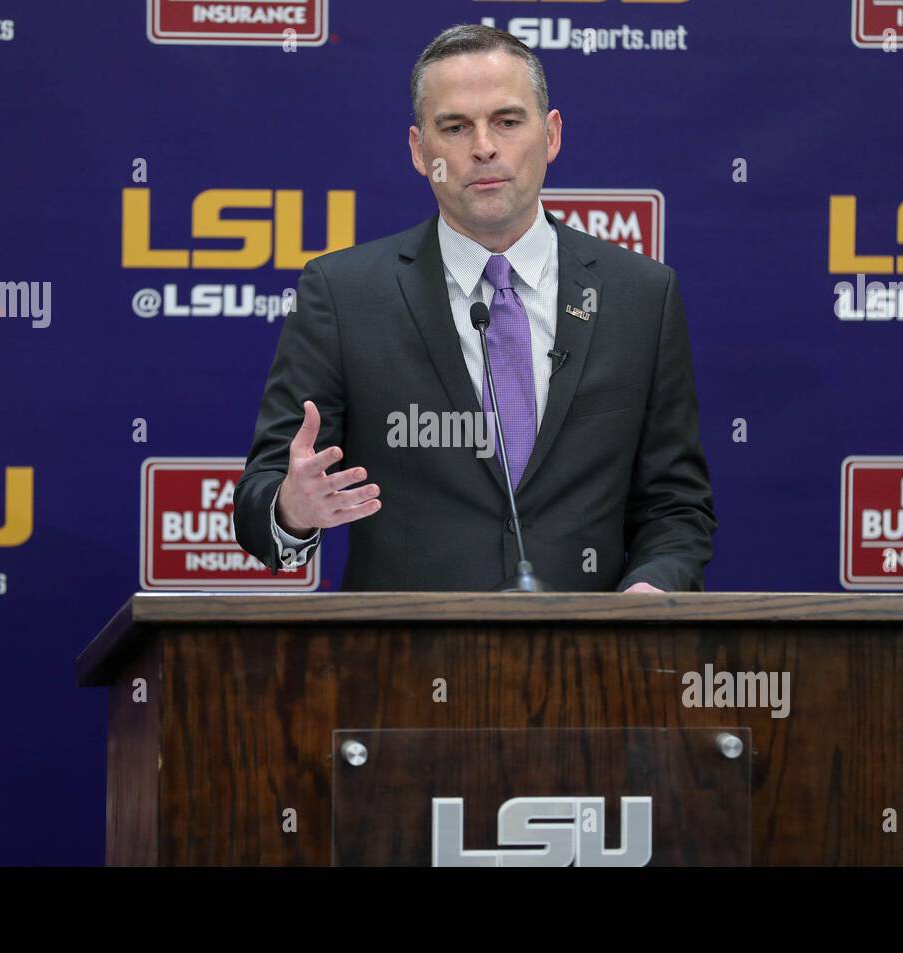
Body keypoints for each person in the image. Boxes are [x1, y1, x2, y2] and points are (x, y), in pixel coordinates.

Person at [235, 24, 715, 592]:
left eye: (508, 122)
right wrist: (290, 509)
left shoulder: (640, 295)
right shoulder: (343, 294)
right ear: (419, 150)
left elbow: (677, 508)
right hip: (403, 661)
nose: (483, 146)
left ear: (552, 135)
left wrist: (648, 594)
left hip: (589, 663)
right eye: (455, 127)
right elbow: (262, 494)